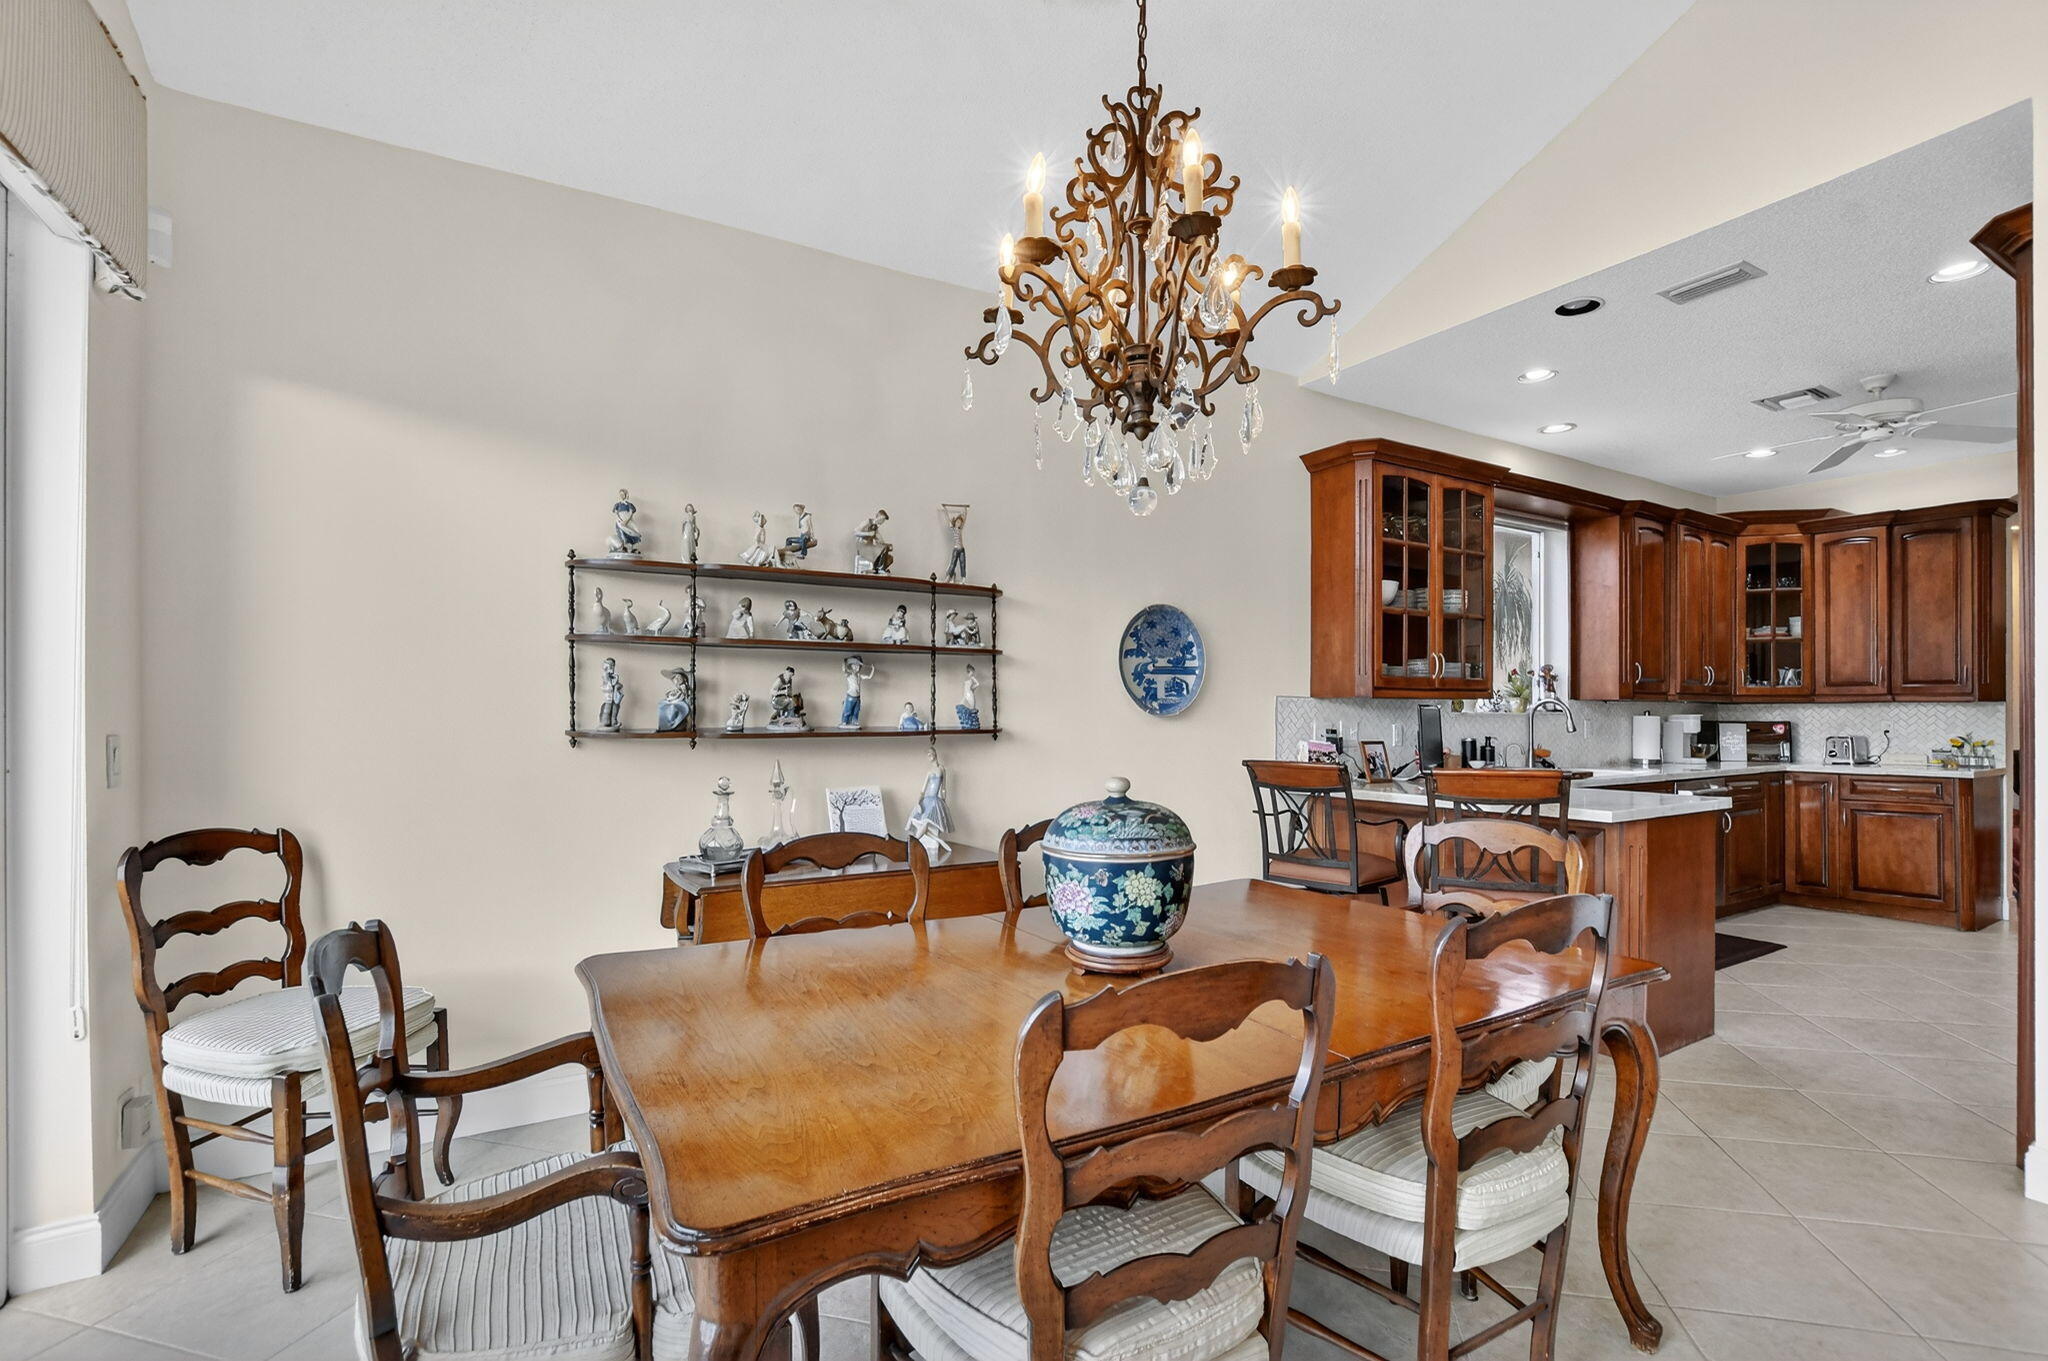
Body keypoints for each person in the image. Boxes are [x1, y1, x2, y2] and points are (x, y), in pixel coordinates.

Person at [839, 656, 875, 728]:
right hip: (850, 696)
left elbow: (869, 677)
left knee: (856, 711)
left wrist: (873, 669)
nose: (857, 667)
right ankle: (844, 722)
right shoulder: (848, 675)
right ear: (851, 666)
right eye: (855, 665)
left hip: (857, 697)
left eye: (858, 666)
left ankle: (854, 722)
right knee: (848, 710)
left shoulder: (859, 676)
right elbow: (844, 669)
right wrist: (845, 661)